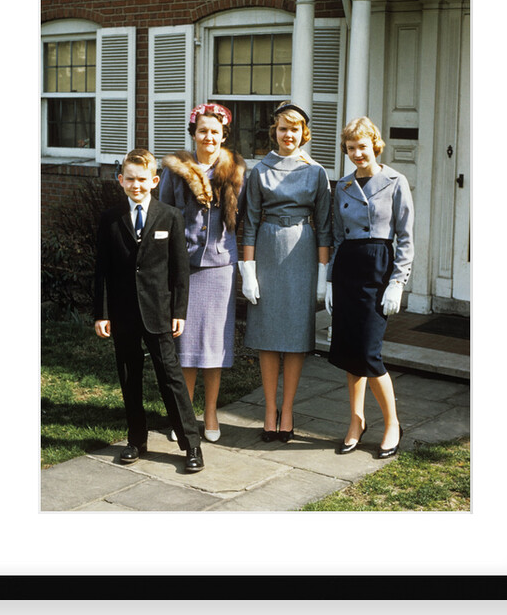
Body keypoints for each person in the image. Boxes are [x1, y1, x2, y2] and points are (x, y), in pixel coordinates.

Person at [94, 148, 204, 473]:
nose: (136, 185)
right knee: (130, 377)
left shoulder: (169, 216)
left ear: (154, 180)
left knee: (170, 377)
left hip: (158, 312)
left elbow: (179, 271)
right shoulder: (110, 219)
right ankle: (136, 438)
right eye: (130, 179)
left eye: (142, 179)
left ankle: (191, 444)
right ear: (120, 180)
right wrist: (102, 314)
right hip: (123, 312)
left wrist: (179, 311)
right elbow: (102, 270)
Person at [239, 102, 332, 443]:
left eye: (294, 129)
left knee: (294, 338)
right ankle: (268, 410)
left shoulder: (316, 172)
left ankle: (288, 410)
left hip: (303, 252)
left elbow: (324, 226)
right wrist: (247, 271)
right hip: (266, 249)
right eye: (282, 129)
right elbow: (248, 223)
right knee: (266, 336)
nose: (288, 135)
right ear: (274, 132)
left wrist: (324, 277)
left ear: (303, 134)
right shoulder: (259, 170)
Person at [325, 116, 414, 459]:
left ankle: (392, 422)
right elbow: (335, 236)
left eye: (363, 146)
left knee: (369, 351)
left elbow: (406, 237)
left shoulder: (395, 181)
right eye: (351, 148)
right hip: (348, 265)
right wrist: (330, 280)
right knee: (350, 351)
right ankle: (356, 421)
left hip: (379, 265)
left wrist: (398, 282)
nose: (357, 153)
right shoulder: (344, 185)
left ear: (374, 144)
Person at [159, 103, 247, 443]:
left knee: (214, 345)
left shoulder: (237, 170)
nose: (208, 137)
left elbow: (246, 216)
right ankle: (184, 414)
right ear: (193, 133)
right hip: (184, 267)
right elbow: (163, 216)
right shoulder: (176, 170)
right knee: (185, 346)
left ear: (223, 135)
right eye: (202, 130)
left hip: (220, 266)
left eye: (215, 131)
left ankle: (210, 413)